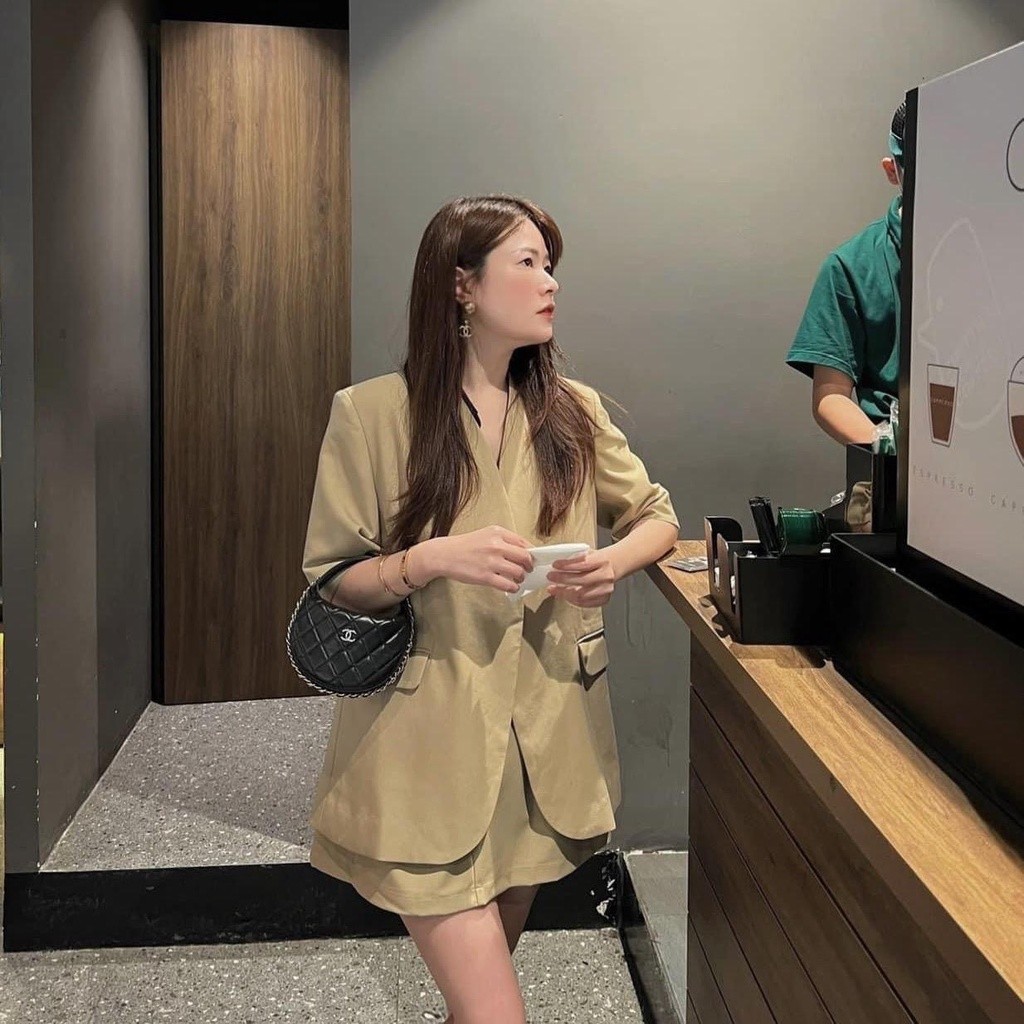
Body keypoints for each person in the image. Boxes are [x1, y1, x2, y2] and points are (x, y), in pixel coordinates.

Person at [301, 195, 679, 1024]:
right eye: (527, 263)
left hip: (545, 741)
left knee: (475, 1006)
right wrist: (431, 559)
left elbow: (657, 515)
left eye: (551, 266)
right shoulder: (372, 414)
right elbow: (335, 576)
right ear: (462, 285)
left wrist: (608, 565)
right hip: (425, 745)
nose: (550, 284)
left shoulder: (572, 411)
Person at [786, 101, 906, 444]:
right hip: (896, 459)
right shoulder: (851, 265)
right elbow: (831, 396)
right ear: (892, 171)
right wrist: (887, 447)